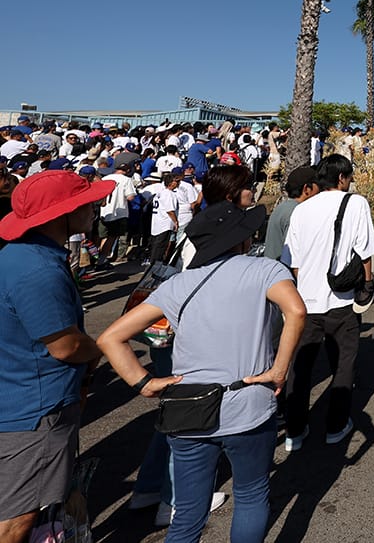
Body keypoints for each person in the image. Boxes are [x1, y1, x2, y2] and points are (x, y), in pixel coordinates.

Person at [98, 200, 306, 543]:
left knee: (188, 516)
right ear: (240, 239)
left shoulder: (178, 284)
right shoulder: (265, 271)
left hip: (187, 407)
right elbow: (296, 311)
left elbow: (110, 337)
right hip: (248, 401)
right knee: (252, 495)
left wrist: (146, 383)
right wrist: (279, 370)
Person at [0, 171, 113, 543]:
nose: (94, 208)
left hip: (19, 395)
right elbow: (64, 346)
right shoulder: (37, 270)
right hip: (34, 408)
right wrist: (101, 347)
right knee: (19, 517)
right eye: (86, 203)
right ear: (60, 215)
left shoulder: (19, 256)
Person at [282, 154, 374, 451]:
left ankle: (294, 430)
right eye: (348, 177)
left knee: (300, 367)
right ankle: (336, 425)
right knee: (344, 364)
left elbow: (293, 261)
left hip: (305, 301)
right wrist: (366, 285)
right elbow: (364, 252)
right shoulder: (356, 203)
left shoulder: (301, 209)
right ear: (341, 178)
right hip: (341, 299)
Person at [264, 166, 319, 262]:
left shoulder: (285, 207)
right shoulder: (296, 212)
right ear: (307, 189)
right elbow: (292, 254)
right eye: (319, 186)